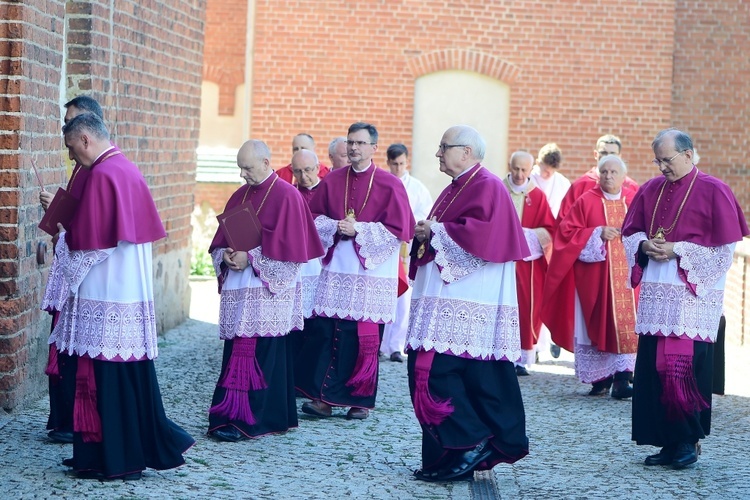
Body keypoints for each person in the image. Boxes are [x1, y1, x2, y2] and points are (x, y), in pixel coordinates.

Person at [48, 113, 194, 479]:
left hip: (106, 292)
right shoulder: (124, 168)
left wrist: (63, 236)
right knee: (111, 376)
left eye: (70, 149)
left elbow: (88, 243)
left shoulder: (101, 174)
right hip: (124, 291)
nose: (71, 158)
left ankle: (118, 459)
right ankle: (96, 454)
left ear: (84, 140)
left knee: (107, 381)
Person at [406, 125, 529, 482]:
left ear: (467, 151)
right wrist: (429, 232)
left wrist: (436, 231)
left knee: (431, 373)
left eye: (444, 147)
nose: (438, 153)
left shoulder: (487, 186)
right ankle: (447, 455)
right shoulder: (457, 186)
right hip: (447, 300)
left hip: (467, 302)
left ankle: (470, 442)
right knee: (431, 371)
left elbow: (485, 236)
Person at [622, 128, 748, 469]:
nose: (662, 167)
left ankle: (686, 442)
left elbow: (724, 250)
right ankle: (665, 440)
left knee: (682, 370)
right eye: (658, 160)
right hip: (657, 295)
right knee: (655, 370)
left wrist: (678, 249)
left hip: (691, 299)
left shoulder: (713, 190)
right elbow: (630, 233)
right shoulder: (650, 189)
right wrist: (646, 246)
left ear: (688, 155)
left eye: (668, 159)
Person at [295, 122, 414, 420]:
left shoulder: (390, 184)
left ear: (374, 148)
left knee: (364, 337)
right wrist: (335, 226)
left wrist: (359, 229)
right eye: (350, 142)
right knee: (329, 333)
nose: (353, 148)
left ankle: (359, 401)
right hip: (338, 268)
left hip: (371, 273)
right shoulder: (333, 180)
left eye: (360, 143)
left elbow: (400, 229)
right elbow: (313, 217)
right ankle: (324, 399)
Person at [207, 140, 324, 442]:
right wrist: (226, 256)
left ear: (265, 162)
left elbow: (293, 253)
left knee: (261, 353)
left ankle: (250, 419)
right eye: (240, 168)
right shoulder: (239, 195)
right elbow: (220, 240)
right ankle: (234, 414)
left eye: (247, 168)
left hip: (267, 292)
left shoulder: (287, 196)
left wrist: (252, 257)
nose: (242, 175)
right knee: (237, 349)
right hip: (240, 286)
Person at [543, 155, 640, 398]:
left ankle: (622, 379)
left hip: (627, 279)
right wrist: (596, 233)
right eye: (604, 171)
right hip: (596, 278)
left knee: (627, 326)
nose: (608, 176)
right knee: (596, 323)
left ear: (622, 175)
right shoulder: (587, 200)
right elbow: (566, 232)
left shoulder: (633, 199)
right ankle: (600, 378)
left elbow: (645, 229)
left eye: (613, 172)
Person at [40, 95, 103, 445]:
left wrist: (65, 222)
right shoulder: (82, 167)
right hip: (70, 266)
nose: (65, 128)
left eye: (71, 121)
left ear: (87, 130)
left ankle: (71, 421)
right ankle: (62, 418)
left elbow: (93, 227)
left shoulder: (99, 170)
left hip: (84, 274)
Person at [502, 151, 555, 376]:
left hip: (527, 265)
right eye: (516, 168)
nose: (520, 174)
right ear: (509, 166)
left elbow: (550, 230)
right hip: (501, 261)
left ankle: (521, 358)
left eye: (524, 169)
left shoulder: (538, 196)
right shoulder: (499, 190)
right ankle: (501, 355)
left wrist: (525, 235)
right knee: (501, 307)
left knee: (525, 308)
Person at [381, 143, 433, 363]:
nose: (398, 168)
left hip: (407, 245)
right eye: (394, 164)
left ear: (407, 161)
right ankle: (382, 346)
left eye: (402, 163)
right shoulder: (382, 183)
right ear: (388, 163)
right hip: (386, 245)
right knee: (386, 294)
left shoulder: (418, 188)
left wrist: (408, 225)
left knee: (404, 298)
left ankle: (396, 346)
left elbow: (425, 213)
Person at [557, 134, 639, 221]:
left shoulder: (631, 186)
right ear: (595, 154)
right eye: (603, 153)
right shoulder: (581, 185)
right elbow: (565, 222)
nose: (608, 157)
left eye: (612, 154)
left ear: (619, 156)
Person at [530, 143, 570, 218]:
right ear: (538, 163)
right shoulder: (528, 180)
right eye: (546, 171)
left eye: (553, 171)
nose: (550, 175)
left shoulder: (563, 183)